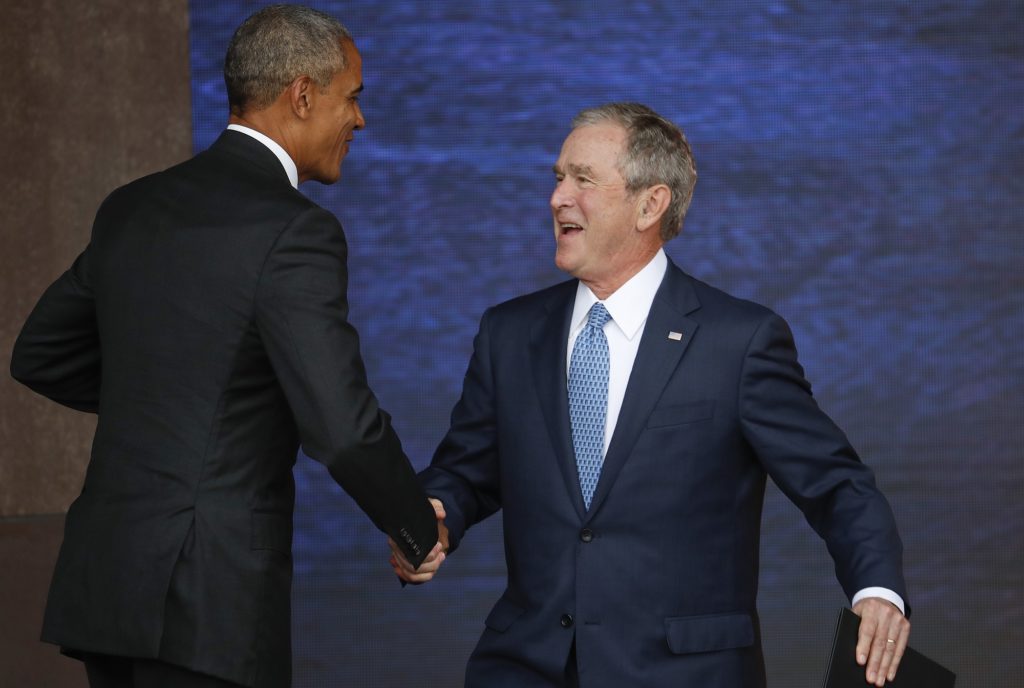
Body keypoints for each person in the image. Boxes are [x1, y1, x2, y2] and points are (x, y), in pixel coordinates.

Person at [390, 103, 909, 688]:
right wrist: (434, 519)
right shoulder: (508, 333)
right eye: (559, 178)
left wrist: (877, 589)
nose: (559, 198)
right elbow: (465, 472)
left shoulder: (738, 341)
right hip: (523, 668)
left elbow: (835, 484)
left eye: (583, 179)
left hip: (685, 672)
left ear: (650, 204)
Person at [10, 5, 443, 687]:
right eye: (352, 97)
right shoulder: (296, 230)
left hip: (106, 591)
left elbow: (38, 355)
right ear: (302, 95)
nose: (359, 120)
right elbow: (342, 428)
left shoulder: (132, 207)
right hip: (207, 604)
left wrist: (180, 394)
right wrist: (417, 526)